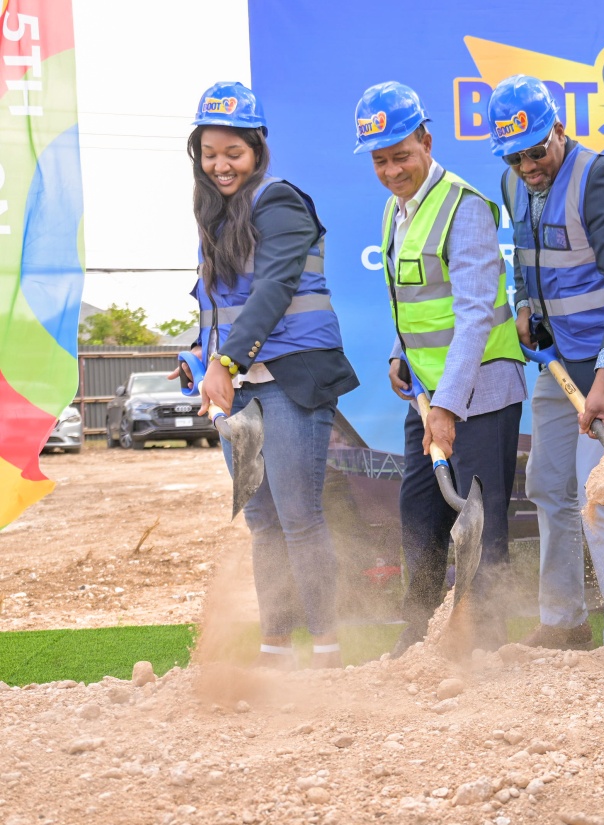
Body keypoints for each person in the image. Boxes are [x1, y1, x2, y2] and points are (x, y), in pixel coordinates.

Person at [488, 75, 604, 649]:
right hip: (562, 358)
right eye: (514, 155)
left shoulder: (603, 178)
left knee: (602, 491)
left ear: (559, 132)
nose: (527, 164)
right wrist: (523, 304)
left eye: (536, 150)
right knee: (546, 482)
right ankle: (564, 621)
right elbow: (525, 257)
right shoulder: (513, 182)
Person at [186, 81, 359, 668]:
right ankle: (276, 646)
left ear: (257, 149)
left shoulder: (278, 201)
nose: (220, 164)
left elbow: (276, 287)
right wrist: (198, 358)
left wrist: (224, 362)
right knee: (262, 520)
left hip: (290, 378)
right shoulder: (217, 215)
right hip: (241, 388)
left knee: (298, 514)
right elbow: (219, 307)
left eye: (232, 152)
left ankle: (330, 648)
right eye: (210, 153)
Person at [353, 82, 527, 654]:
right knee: (419, 510)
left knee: (479, 517)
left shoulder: (465, 205)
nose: (392, 169)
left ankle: (485, 636)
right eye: (380, 160)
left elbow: (476, 314)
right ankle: (421, 631)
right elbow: (415, 303)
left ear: (426, 141)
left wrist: (449, 405)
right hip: (429, 395)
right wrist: (404, 357)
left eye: (401, 155)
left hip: (479, 392)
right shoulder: (393, 209)